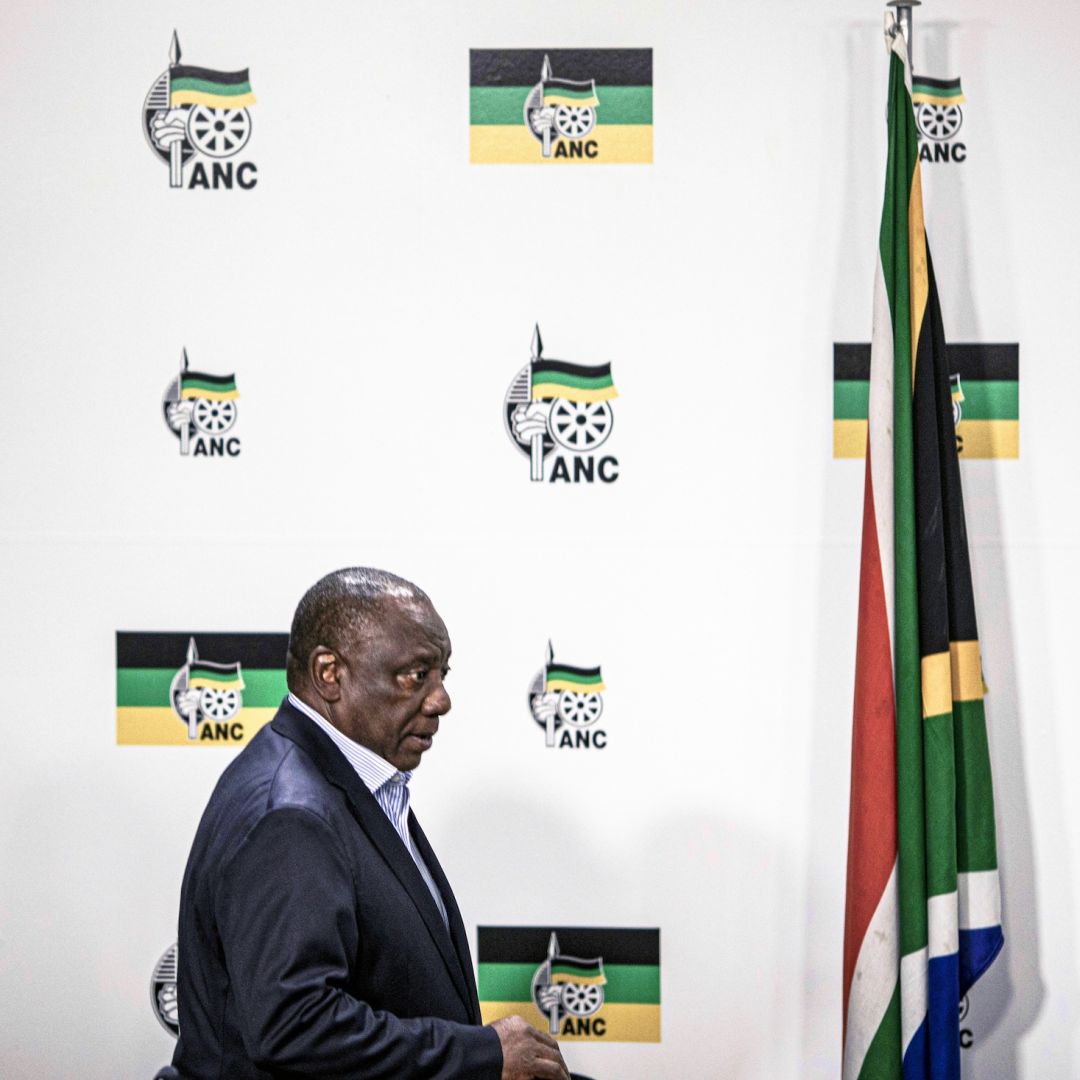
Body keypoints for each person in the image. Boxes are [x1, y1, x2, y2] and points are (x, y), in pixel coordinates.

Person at [171, 567, 569, 1080]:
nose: (441, 699)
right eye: (415, 675)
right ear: (329, 674)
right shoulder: (292, 815)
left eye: (442, 674)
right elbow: (294, 1025)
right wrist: (481, 1055)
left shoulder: (346, 780)